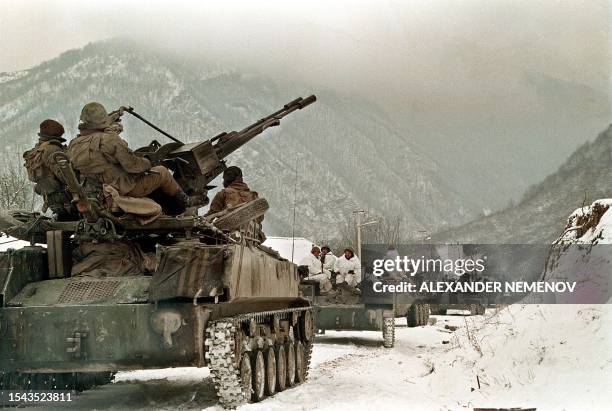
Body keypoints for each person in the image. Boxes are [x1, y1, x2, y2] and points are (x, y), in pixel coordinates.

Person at [67, 102, 191, 215]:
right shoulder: (109, 139)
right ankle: (184, 208)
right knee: (162, 172)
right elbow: (132, 166)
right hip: (121, 189)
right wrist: (148, 161)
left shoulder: (74, 144)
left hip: (95, 192)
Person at [23, 119, 75, 220]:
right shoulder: (53, 149)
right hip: (66, 199)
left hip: (50, 199)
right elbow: (65, 177)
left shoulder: (37, 150)